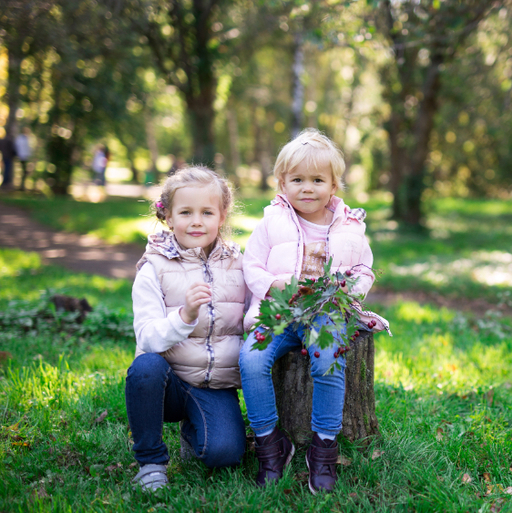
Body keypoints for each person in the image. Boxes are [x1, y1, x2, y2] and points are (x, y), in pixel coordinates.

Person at [239, 128, 387, 493]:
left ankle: (323, 449)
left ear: (334, 185)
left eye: (317, 180)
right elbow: (251, 264)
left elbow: (363, 268)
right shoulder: (272, 222)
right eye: (298, 179)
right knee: (251, 361)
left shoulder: (350, 225)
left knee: (328, 360)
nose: (307, 188)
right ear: (282, 183)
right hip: (278, 312)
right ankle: (271, 445)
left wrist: (349, 288)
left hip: (325, 313)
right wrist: (274, 286)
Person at [126, 165, 248, 491]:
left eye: (207, 212)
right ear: (168, 217)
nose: (197, 221)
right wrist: (185, 314)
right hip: (168, 385)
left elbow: (253, 315)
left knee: (225, 454)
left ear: (222, 216)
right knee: (145, 367)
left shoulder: (239, 265)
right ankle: (151, 462)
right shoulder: (154, 268)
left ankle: (195, 431)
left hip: (215, 385)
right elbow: (148, 338)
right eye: (186, 212)